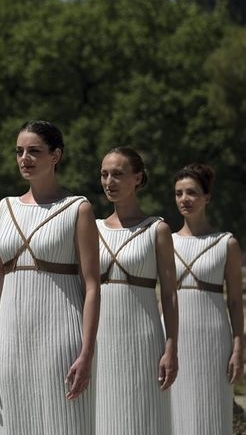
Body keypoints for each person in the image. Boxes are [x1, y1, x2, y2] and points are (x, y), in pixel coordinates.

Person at [0, 120, 100, 435]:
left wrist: (86, 351)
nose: (24, 158)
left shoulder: (78, 209)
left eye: (34, 151)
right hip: (11, 336)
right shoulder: (1, 210)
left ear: (55, 155)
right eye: (19, 151)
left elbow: (91, 286)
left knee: (65, 422)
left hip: (62, 333)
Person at [95, 147, 179, 435]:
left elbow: (169, 294)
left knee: (143, 417)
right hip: (101, 338)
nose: (109, 181)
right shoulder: (92, 229)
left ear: (137, 178)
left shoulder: (157, 229)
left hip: (143, 339)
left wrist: (171, 347)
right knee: (104, 418)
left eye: (118, 174)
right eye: (104, 174)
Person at [169, 163, 244, 435]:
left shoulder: (226, 243)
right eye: (178, 193)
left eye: (191, 192)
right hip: (175, 339)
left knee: (212, 411)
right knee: (175, 413)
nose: (184, 199)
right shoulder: (165, 242)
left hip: (214, 340)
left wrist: (238, 348)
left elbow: (235, 302)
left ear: (207, 197)